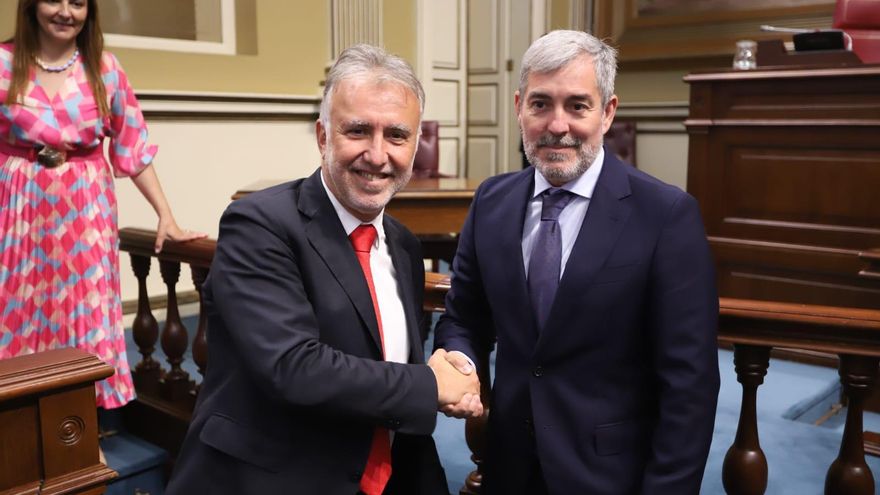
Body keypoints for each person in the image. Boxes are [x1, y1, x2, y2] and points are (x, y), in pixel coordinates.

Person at [166, 44, 482, 495]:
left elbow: (387, 367)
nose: (377, 155)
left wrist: (439, 379)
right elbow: (293, 367)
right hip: (273, 478)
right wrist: (431, 385)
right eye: (357, 131)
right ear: (322, 136)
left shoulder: (405, 246)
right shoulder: (259, 224)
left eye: (396, 135)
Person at [434, 30, 720, 494]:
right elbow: (463, 318)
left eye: (578, 106)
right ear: (518, 107)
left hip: (609, 475)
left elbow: (689, 385)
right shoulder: (492, 201)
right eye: (541, 104)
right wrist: (462, 363)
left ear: (607, 112)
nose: (557, 124)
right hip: (507, 465)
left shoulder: (665, 215)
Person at [0, 0, 203, 409]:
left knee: (84, 310)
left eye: (77, 3)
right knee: (13, 306)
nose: (65, 12)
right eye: (54, 0)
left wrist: (167, 217)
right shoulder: (3, 62)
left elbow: (134, 149)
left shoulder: (105, 69)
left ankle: (81, 431)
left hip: (84, 211)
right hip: (16, 208)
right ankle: (15, 427)